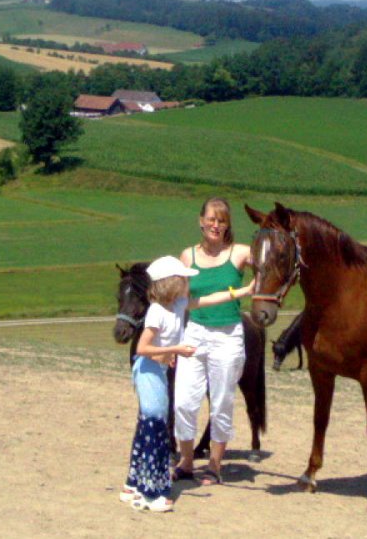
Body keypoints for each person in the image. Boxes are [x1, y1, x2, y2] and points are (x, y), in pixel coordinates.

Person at [120, 255, 253, 512]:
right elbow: (142, 348)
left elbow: (208, 300)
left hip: (156, 370)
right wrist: (175, 349)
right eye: (184, 279)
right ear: (171, 283)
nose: (189, 282)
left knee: (148, 427)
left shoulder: (178, 305)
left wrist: (242, 291)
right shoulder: (157, 312)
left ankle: (133, 485)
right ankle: (150, 493)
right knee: (155, 429)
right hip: (148, 372)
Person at [173, 197, 253, 486]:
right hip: (195, 332)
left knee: (221, 402)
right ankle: (186, 461)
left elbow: (272, 260)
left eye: (222, 220)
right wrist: (239, 292)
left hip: (228, 335)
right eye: (211, 219)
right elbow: (186, 303)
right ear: (201, 221)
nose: (215, 225)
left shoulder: (240, 253)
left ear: (228, 225)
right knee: (183, 401)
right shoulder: (188, 257)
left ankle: (215, 465)